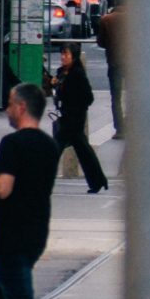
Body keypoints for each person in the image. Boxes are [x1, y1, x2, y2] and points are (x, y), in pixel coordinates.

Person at [0, 83, 65, 299]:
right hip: (36, 233)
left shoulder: (12, 143)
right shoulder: (49, 146)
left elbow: (3, 188)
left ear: (22, 107)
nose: (6, 110)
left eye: (9, 104)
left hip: (11, 236)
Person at [51, 44, 108, 195]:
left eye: (66, 54)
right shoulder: (62, 72)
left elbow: (88, 97)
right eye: (62, 54)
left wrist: (75, 106)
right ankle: (98, 180)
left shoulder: (77, 74)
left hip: (74, 118)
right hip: (66, 117)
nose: (63, 57)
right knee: (84, 150)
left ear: (74, 56)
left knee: (55, 149)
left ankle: (43, 181)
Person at [95, 5, 125, 139]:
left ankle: (120, 129)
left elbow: (101, 42)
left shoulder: (106, 20)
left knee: (116, 97)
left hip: (114, 62)